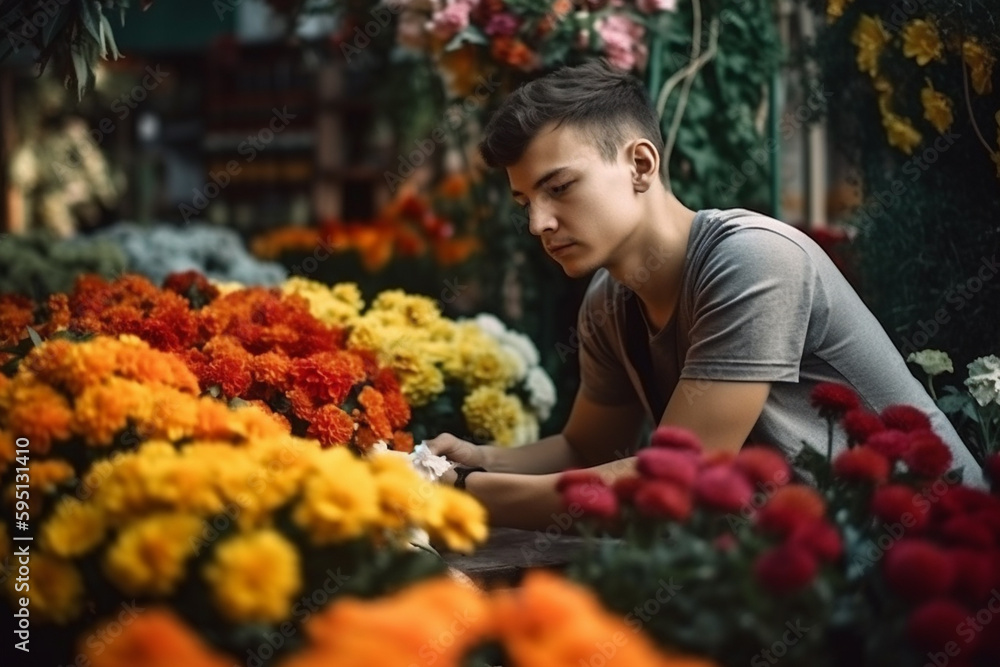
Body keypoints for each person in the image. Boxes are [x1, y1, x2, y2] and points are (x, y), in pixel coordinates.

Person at [427, 59, 984, 530]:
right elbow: (587, 449)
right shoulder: (609, 299)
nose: (539, 224)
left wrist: (469, 494)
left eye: (560, 188)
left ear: (641, 165)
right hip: (801, 571)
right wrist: (482, 459)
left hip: (934, 556)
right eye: (525, 202)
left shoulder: (753, 261)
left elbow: (678, 477)